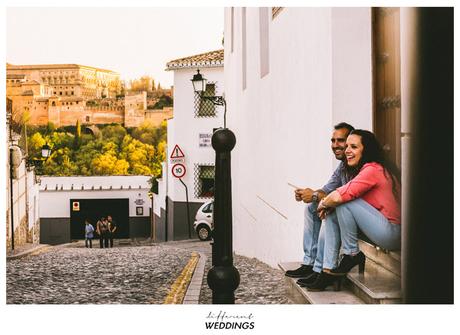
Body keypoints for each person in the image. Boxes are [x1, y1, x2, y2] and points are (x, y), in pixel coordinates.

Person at [306, 129, 401, 291]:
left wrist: (323, 204)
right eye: (347, 146)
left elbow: (339, 196)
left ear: (366, 150)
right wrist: (329, 205)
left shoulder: (373, 169)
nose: (347, 150)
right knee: (334, 209)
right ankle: (326, 270)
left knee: (341, 203)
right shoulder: (365, 169)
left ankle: (352, 254)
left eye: (354, 147)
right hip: (379, 229)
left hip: (392, 233)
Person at [285, 122, 355, 288]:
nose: (335, 145)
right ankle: (309, 263)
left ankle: (321, 269)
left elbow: (345, 198)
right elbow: (326, 190)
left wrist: (316, 196)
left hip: (353, 216)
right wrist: (308, 194)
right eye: (332, 140)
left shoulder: (359, 165)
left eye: (340, 140)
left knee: (330, 210)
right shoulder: (343, 166)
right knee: (311, 208)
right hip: (345, 210)